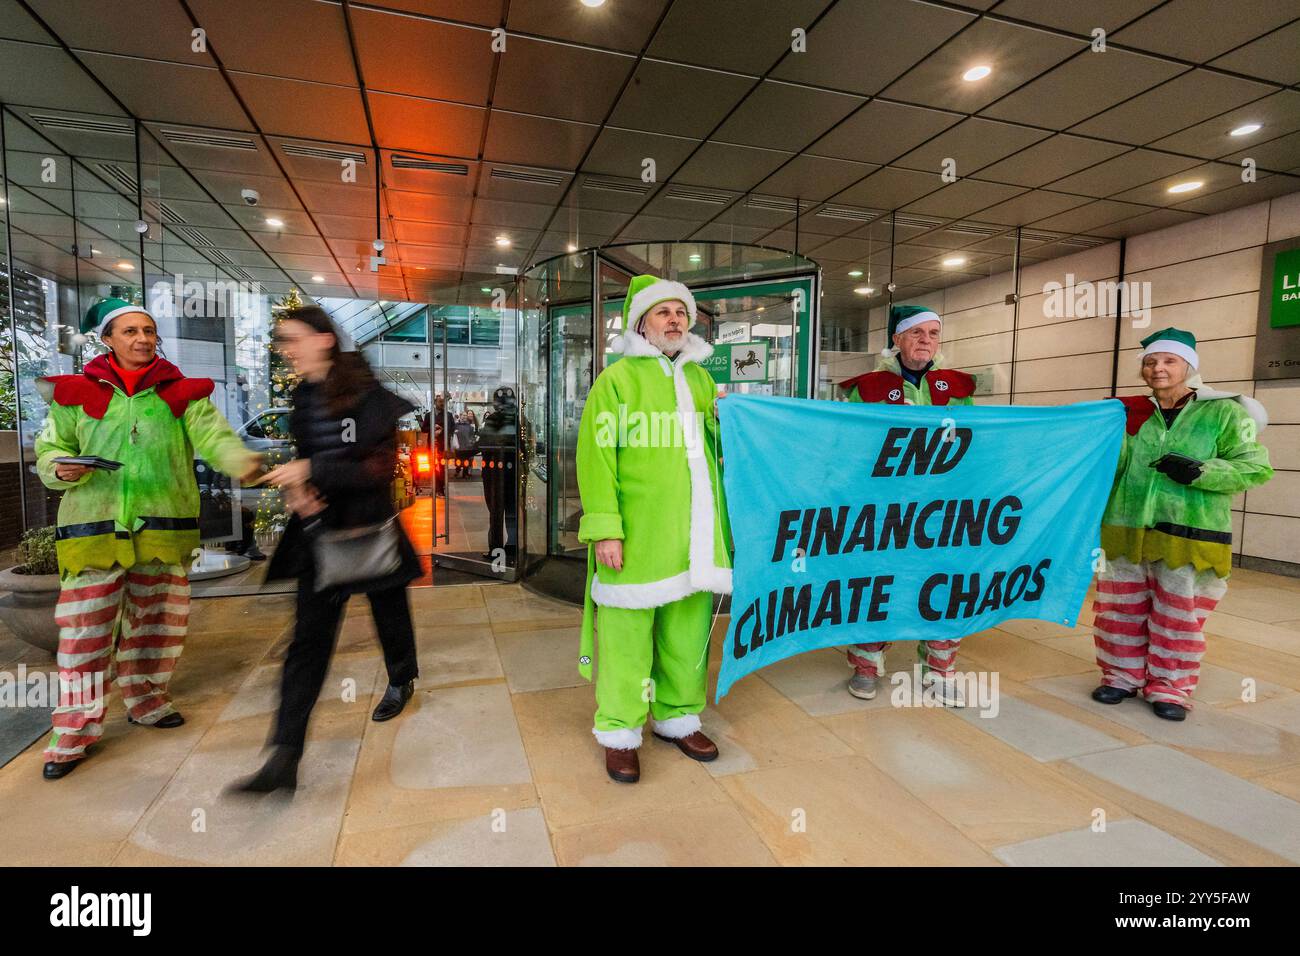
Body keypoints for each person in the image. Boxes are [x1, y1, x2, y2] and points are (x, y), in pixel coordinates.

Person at [34, 298, 260, 779]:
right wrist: (59, 466)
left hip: (162, 529)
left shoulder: (181, 394)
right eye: (131, 331)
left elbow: (214, 436)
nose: (142, 339)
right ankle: (71, 736)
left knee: (158, 627)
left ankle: (148, 701)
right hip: (92, 532)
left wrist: (244, 463)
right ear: (108, 339)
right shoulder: (74, 393)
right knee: (83, 638)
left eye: (149, 330)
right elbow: (50, 447)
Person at [232, 306, 423, 793]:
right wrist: (301, 488)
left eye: (293, 340)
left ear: (323, 339)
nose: (286, 350)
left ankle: (402, 679)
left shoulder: (365, 393)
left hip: (368, 529)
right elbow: (306, 456)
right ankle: (285, 755)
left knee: (389, 613)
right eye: (282, 342)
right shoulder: (303, 396)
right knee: (307, 643)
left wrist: (312, 473)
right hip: (319, 535)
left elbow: (379, 469)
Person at [576, 274, 732, 784]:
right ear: (642, 321)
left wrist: (729, 416)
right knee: (627, 636)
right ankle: (620, 729)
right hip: (638, 536)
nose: (674, 321)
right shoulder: (616, 381)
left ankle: (677, 716)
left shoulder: (702, 380)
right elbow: (596, 459)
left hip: (694, 537)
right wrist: (606, 529)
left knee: (687, 634)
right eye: (663, 312)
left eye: (681, 313)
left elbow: (718, 448)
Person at [1092, 327, 1272, 721]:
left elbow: (1255, 467)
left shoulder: (1224, 412)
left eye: (1169, 361)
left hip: (1190, 533)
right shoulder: (1128, 413)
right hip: (1125, 530)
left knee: (1178, 614)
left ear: (1189, 366)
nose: (1159, 369)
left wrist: (1201, 471)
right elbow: (1110, 466)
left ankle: (1170, 686)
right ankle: (1120, 674)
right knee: (1119, 609)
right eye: (1151, 362)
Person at [837, 304, 976, 705]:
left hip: (944, 508)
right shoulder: (868, 388)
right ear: (897, 339)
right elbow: (849, 443)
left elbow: (975, 441)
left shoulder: (959, 389)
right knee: (878, 585)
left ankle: (940, 670)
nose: (926, 342)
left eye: (933, 334)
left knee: (945, 587)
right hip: (886, 508)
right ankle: (866, 665)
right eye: (917, 334)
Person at [477, 386, 517, 561]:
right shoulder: (519, 420)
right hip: (513, 472)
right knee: (511, 511)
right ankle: (513, 545)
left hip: (495, 473)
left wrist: (457, 453)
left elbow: (483, 443)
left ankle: (496, 549)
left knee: (496, 512)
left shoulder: (494, 419)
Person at [453, 412, 476, 478]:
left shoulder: (470, 426)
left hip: (466, 446)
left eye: (466, 415)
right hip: (458, 446)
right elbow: (452, 433)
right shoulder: (456, 425)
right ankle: (457, 470)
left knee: (466, 460)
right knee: (458, 460)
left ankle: (465, 473)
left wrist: (471, 441)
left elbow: (472, 436)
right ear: (460, 416)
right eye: (463, 415)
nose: (464, 417)